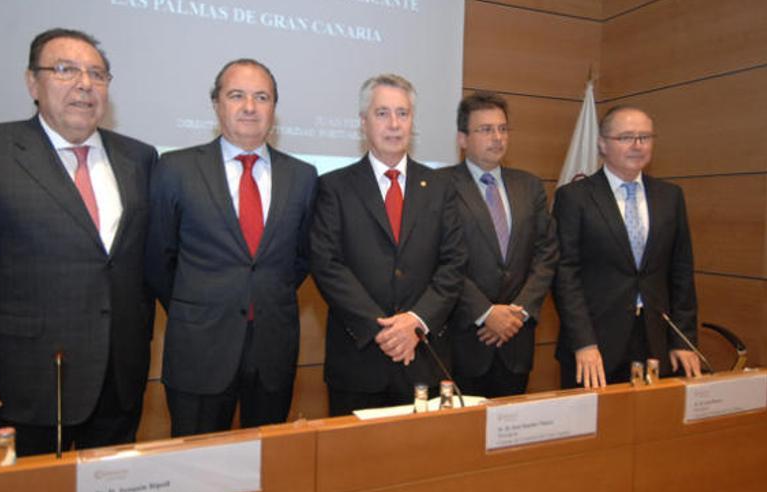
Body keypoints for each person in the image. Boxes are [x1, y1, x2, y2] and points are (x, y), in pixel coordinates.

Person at [0, 28, 156, 455]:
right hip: (28, 381)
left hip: (119, 378)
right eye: (65, 70)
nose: (85, 84)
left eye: (97, 74)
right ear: (32, 82)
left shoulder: (139, 157)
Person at [145, 59, 316, 435]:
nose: (250, 107)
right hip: (199, 349)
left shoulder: (303, 176)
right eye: (236, 95)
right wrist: (198, 306)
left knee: (268, 466)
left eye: (262, 97)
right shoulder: (175, 169)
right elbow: (158, 259)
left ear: (274, 108)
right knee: (195, 468)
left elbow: (301, 258)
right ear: (216, 104)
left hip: (273, 349)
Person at [310, 74, 466, 415]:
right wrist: (382, 330)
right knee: (354, 465)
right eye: (382, 113)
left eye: (403, 113)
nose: (394, 124)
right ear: (363, 122)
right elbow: (327, 264)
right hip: (359, 360)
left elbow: (454, 263)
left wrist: (416, 321)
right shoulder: (334, 187)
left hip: (425, 357)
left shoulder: (442, 187)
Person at [553, 105, 701, 389]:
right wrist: (583, 342)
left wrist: (683, 339)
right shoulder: (574, 198)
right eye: (626, 137)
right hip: (595, 345)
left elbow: (681, 272)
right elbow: (565, 277)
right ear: (602, 144)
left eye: (644, 137)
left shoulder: (670, 196)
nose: (637, 145)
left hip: (656, 339)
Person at [441, 92, 558, 398]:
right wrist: (484, 312)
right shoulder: (439, 187)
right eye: (485, 130)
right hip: (463, 338)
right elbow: (438, 258)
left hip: (516, 341)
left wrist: (519, 312)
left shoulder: (530, 186)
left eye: (503, 129)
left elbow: (546, 254)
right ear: (462, 139)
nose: (497, 137)